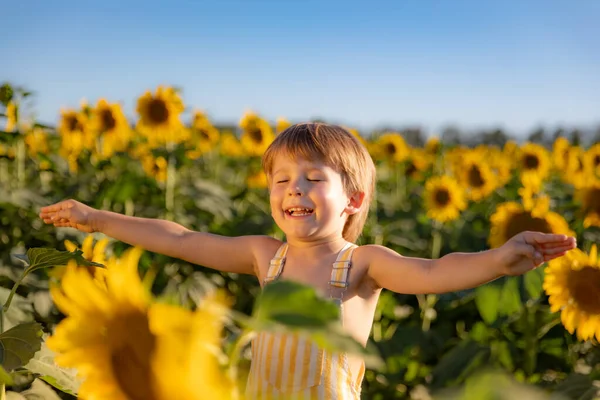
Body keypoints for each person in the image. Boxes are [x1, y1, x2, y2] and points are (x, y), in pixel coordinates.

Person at [40, 122, 576, 400]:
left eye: (314, 179)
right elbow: (180, 238)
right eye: (281, 180)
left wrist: (498, 259)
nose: (294, 190)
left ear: (354, 200)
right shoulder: (264, 256)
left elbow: (433, 273)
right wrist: (97, 218)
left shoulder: (361, 264)